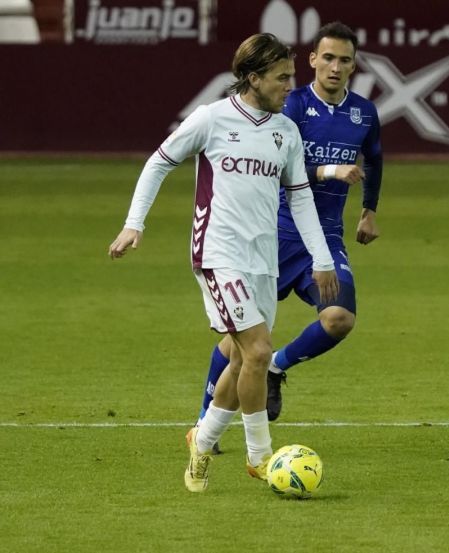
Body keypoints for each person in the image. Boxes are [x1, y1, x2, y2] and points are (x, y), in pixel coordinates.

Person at [108, 32, 338, 493]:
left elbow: (300, 200)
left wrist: (322, 257)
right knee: (257, 352)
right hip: (217, 252)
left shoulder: (285, 132)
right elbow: (159, 162)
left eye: (291, 76)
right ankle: (260, 457)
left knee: (238, 358)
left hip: (263, 258)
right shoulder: (212, 119)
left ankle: (203, 438)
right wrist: (135, 223)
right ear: (253, 78)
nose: (290, 86)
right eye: (281, 77)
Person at [195, 21, 383, 430]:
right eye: (328, 57)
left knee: (339, 319)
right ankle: (205, 421)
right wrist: (332, 169)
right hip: (275, 233)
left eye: (344, 60)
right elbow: (288, 174)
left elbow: (375, 159)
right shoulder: (289, 105)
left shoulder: (364, 113)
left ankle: (277, 368)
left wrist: (369, 210)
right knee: (238, 342)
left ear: (354, 66)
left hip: (326, 235)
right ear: (313, 59)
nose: (335, 67)